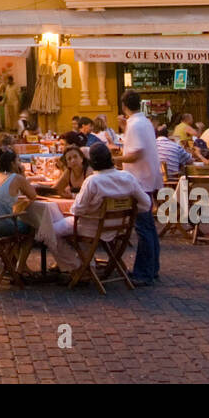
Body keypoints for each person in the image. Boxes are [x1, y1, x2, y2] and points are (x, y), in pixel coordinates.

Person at [63, 141, 152, 255]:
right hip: (120, 227)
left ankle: (72, 265)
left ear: (91, 162)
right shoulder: (128, 177)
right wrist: (128, 211)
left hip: (92, 228)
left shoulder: (93, 181)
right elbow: (146, 204)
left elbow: (77, 210)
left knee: (52, 230)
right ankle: (86, 264)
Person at [113, 90, 160, 286]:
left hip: (139, 180)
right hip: (148, 178)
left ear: (124, 105)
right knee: (147, 226)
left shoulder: (135, 124)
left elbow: (136, 152)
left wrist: (115, 159)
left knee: (143, 227)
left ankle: (144, 272)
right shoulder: (144, 122)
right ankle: (151, 268)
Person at [0, 147, 38, 271]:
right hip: (1, 226)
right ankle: (21, 268)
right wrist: (22, 172)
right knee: (31, 227)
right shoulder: (16, 178)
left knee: (16, 222)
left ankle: (12, 262)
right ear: (13, 163)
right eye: (18, 161)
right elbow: (33, 195)